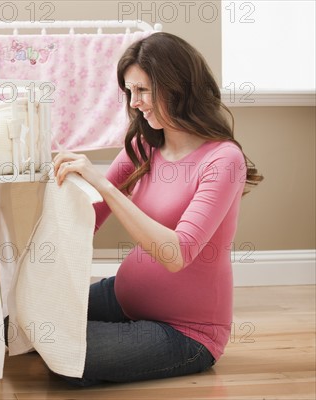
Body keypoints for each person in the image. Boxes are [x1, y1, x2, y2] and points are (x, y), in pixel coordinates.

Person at [52, 32, 263, 386]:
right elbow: (88, 219)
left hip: (186, 332)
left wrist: (103, 183)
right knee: (25, 319)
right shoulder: (143, 144)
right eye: (130, 92)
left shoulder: (223, 160)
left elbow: (176, 253)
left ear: (178, 87)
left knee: (67, 356)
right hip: (123, 296)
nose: (135, 103)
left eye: (144, 91)